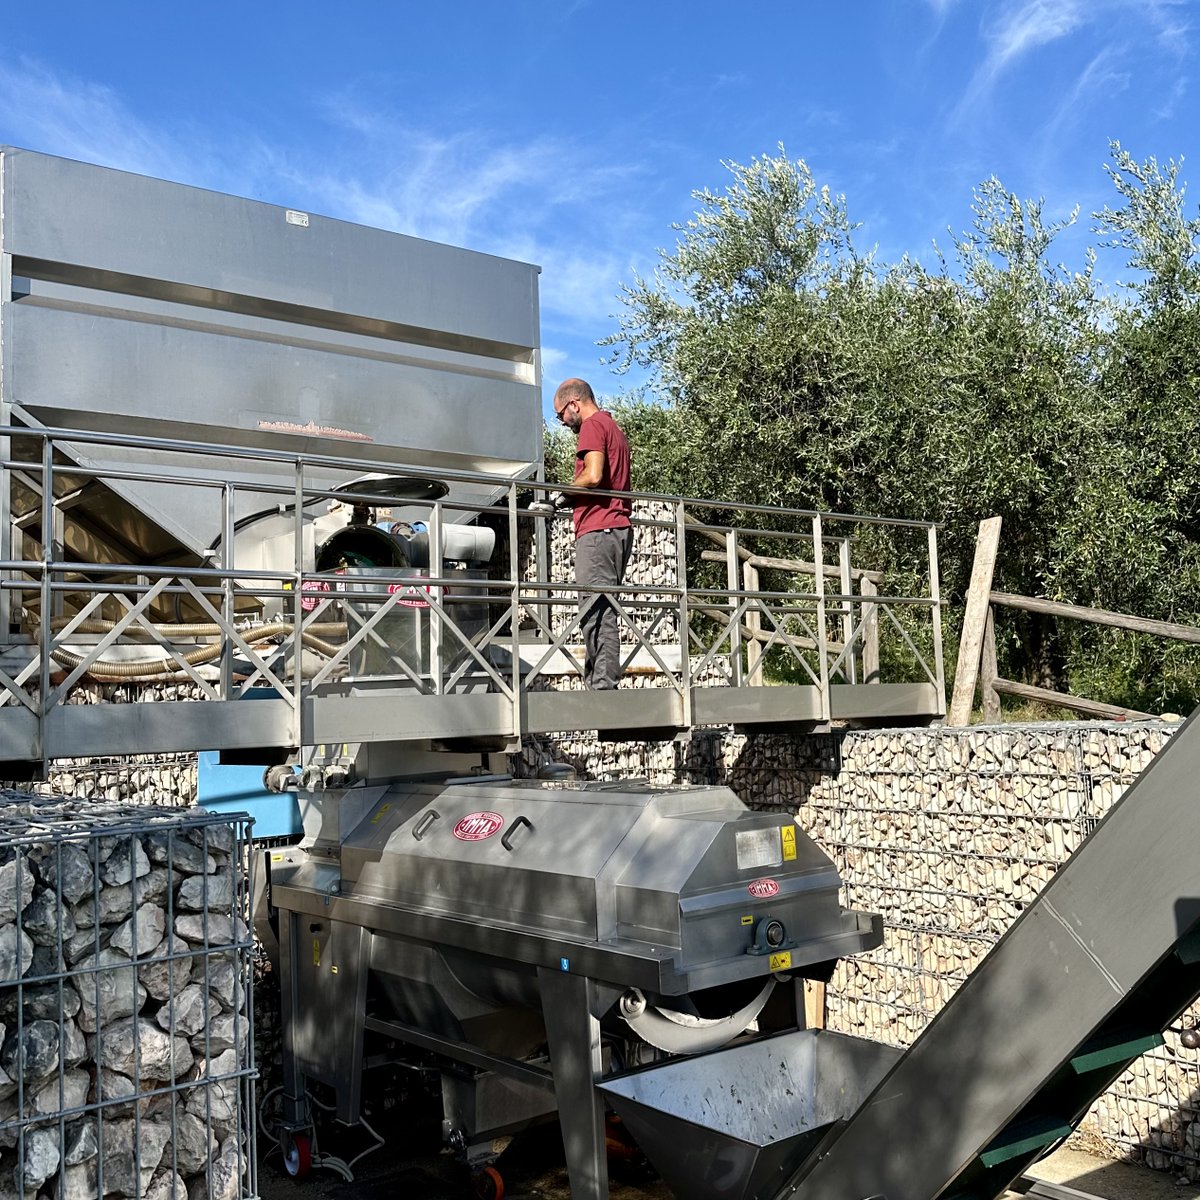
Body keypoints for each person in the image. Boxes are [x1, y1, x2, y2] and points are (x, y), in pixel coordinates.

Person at [551, 378, 632, 690]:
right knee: (599, 607)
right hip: (614, 527)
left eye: (560, 415)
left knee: (596, 610)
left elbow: (594, 475)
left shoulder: (592, 425)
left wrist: (559, 495)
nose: (562, 422)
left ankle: (602, 690)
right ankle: (599, 684)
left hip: (600, 528)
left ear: (574, 403)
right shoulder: (612, 427)